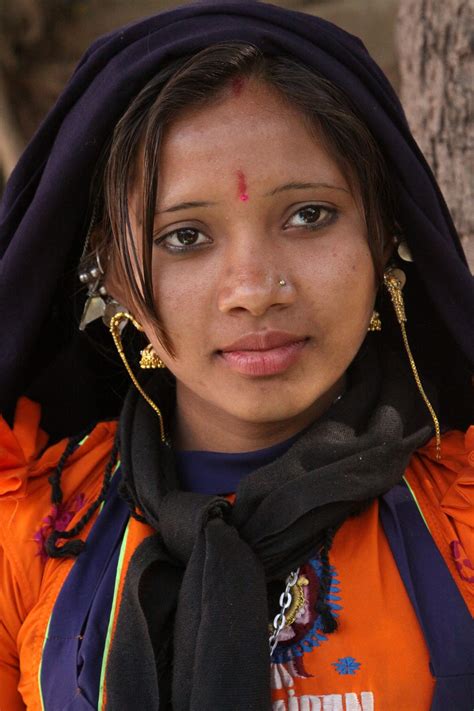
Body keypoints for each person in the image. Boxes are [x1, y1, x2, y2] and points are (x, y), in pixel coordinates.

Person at [0, 1, 472, 709]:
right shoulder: (30, 541)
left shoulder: (460, 518)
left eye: (309, 214)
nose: (254, 289)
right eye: (184, 236)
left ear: (384, 237)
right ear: (114, 276)